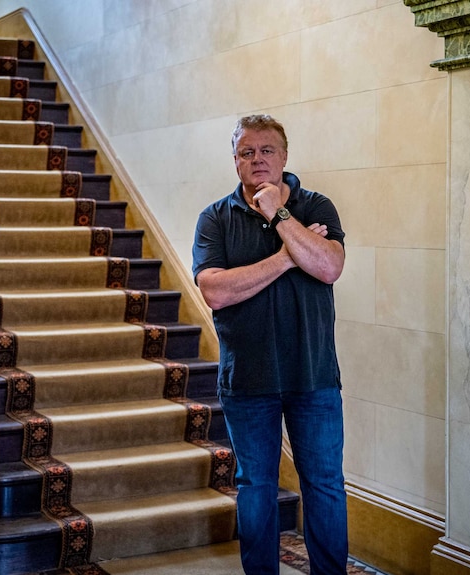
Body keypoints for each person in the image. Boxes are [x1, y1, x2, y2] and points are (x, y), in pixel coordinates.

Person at [192, 114, 348, 574]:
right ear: (235, 160)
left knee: (324, 485)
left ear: (284, 156)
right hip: (248, 377)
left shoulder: (316, 205)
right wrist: (286, 257)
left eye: (266, 151)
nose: (257, 159)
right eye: (247, 152)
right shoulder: (214, 218)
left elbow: (328, 267)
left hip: (313, 374)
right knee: (255, 486)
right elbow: (216, 291)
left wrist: (279, 214)